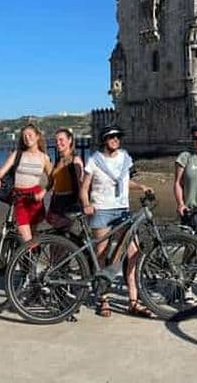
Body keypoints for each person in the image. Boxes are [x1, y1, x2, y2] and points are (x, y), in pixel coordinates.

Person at [79, 125, 153, 318]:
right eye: (111, 137)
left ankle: (133, 301)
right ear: (105, 140)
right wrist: (86, 204)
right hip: (102, 210)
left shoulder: (125, 158)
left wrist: (141, 186)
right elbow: (84, 188)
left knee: (133, 253)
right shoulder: (94, 160)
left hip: (122, 211)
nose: (115, 140)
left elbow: (125, 182)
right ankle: (104, 299)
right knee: (102, 255)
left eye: (117, 137)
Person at [0, 124, 53, 243]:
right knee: (26, 239)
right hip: (19, 197)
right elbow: (2, 171)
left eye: (30, 135)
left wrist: (43, 193)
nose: (27, 138)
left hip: (35, 197)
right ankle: (27, 257)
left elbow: (52, 180)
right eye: (24, 136)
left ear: (37, 137)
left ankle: (30, 260)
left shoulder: (44, 158)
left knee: (33, 237)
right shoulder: (18, 154)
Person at [46, 127, 84, 229]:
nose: (58, 143)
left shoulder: (75, 160)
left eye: (61, 140)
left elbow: (80, 184)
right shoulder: (59, 160)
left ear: (70, 140)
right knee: (58, 236)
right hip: (56, 201)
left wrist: (82, 203)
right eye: (56, 140)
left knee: (61, 237)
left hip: (69, 202)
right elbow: (53, 182)